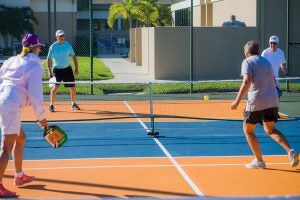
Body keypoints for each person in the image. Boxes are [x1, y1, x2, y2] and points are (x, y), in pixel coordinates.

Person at [230, 40, 299, 169]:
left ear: (246, 53)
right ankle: (291, 151)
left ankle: (259, 161)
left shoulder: (247, 62)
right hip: (272, 100)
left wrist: (237, 101)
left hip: (257, 102)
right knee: (271, 130)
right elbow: (273, 81)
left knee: (248, 131)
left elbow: (246, 81)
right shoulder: (266, 62)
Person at [0, 34, 48, 197]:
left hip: (4, 101)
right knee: (6, 147)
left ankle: (19, 176)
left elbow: (1, 80)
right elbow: (35, 95)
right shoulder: (35, 67)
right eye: (39, 47)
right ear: (34, 48)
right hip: (11, 105)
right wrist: (41, 118)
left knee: (20, 138)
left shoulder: (10, 60)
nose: (40, 49)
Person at [47, 30, 80, 112]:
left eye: (63, 36)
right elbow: (49, 59)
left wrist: (76, 68)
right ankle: (51, 105)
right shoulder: (53, 46)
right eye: (60, 36)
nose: (62, 37)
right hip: (57, 70)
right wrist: (49, 71)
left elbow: (74, 56)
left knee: (72, 87)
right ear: (56, 37)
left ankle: (73, 103)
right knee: (55, 87)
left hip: (67, 69)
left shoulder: (67, 45)